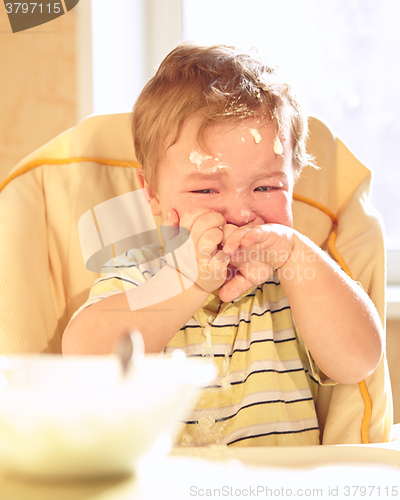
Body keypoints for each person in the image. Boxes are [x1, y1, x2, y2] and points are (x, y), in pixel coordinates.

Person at [62, 43, 383, 446]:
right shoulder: (142, 274)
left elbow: (359, 361)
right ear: (154, 195)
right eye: (205, 189)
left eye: (266, 186)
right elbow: (83, 357)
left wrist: (295, 253)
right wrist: (186, 281)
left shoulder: (298, 282)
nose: (241, 212)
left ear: (293, 184)